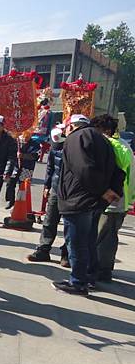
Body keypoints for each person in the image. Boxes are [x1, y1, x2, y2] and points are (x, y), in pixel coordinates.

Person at [54, 114, 125, 295]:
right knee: (88, 240)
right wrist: (113, 191)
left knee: (77, 242)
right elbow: (118, 171)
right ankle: (88, 276)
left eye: (66, 128)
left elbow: (83, 168)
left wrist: (103, 190)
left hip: (79, 200)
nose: (65, 131)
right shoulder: (103, 140)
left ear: (73, 126)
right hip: (94, 201)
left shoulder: (77, 138)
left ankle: (78, 282)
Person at [91, 114, 134, 282]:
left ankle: (101, 271)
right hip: (120, 199)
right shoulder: (124, 145)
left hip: (112, 199)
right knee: (109, 235)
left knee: (103, 236)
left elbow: (114, 174)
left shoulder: (112, 146)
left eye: (96, 130)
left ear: (106, 130)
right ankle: (104, 269)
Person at [27, 124, 69, 266]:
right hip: (56, 189)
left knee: (69, 225)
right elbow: (50, 168)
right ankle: (43, 250)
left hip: (71, 192)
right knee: (49, 221)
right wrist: (47, 185)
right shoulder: (53, 149)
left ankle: (67, 254)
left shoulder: (74, 149)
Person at [4, 130, 40, 209]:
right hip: (16, 166)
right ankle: (10, 200)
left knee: (23, 187)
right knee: (10, 183)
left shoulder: (35, 145)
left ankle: (19, 203)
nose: (26, 137)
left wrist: (23, 156)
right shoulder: (17, 142)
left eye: (28, 135)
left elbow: (35, 156)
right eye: (25, 135)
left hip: (27, 168)